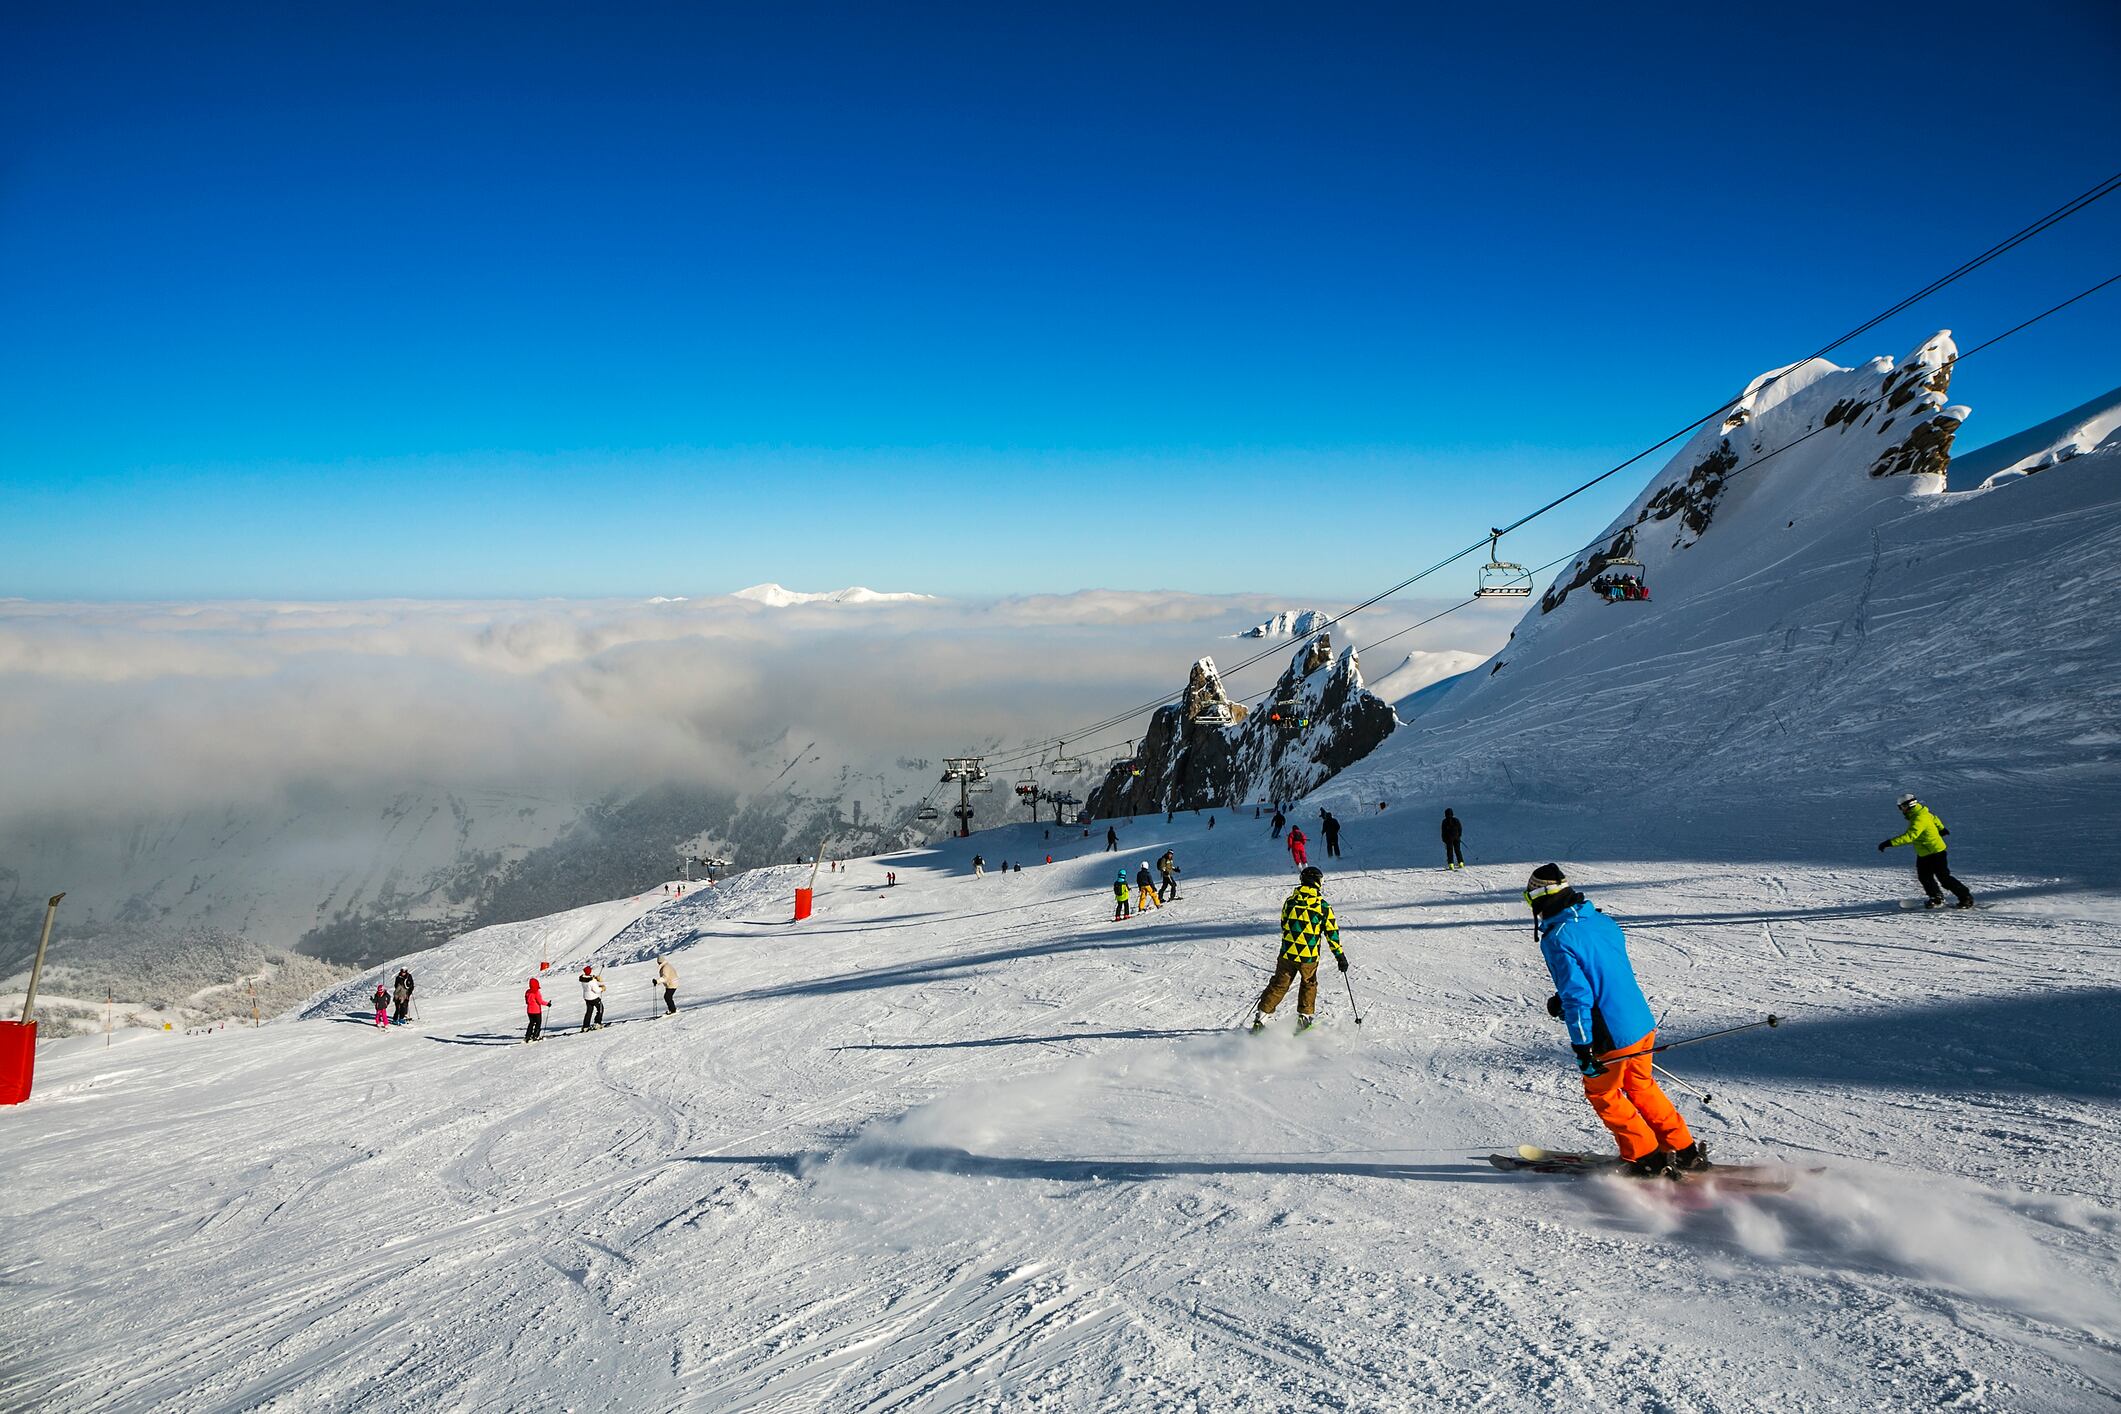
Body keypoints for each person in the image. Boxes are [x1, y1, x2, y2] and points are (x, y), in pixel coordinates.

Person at [1527, 863, 1707, 1176]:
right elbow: (1602, 970)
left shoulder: (1557, 939)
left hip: (1610, 1033)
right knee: (1640, 1086)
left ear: (1540, 899)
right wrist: (1565, 1000)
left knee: (1603, 1092)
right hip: (1639, 1022)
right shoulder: (1601, 921)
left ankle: (1647, 1158)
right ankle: (1683, 1149)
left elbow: (1578, 997)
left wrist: (1582, 1046)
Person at [1252, 866, 1346, 1033]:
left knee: (1279, 984)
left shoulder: (1290, 901)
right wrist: (1340, 956)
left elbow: (1284, 923)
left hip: (1287, 953)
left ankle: (1262, 1017)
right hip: (1307, 956)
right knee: (1308, 984)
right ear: (1317, 882)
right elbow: (1331, 933)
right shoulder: (1322, 906)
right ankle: (1304, 1017)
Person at [1878, 793, 1974, 908]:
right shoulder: (1922, 812)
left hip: (1935, 852)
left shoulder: (1918, 818)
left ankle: (1966, 898)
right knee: (1924, 877)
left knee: (1944, 878)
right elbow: (1935, 819)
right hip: (1924, 853)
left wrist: (1889, 843)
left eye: (1901, 807)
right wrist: (1941, 828)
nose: (1901, 810)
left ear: (1908, 805)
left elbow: (1911, 836)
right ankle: (1936, 898)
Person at [579, 965, 606, 1031]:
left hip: (587, 998)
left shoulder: (583, 979)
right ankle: (597, 1023)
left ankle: (585, 1026)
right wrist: (602, 988)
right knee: (600, 1009)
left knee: (589, 1011)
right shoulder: (591, 981)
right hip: (594, 998)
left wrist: (594, 978)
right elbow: (596, 990)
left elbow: (589, 979)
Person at [524, 976, 548, 1043]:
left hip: (529, 1011)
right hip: (536, 1011)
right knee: (538, 1023)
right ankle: (535, 1036)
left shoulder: (527, 992)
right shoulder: (536, 992)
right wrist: (547, 1004)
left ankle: (527, 1036)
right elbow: (540, 1001)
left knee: (531, 1023)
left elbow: (526, 1001)